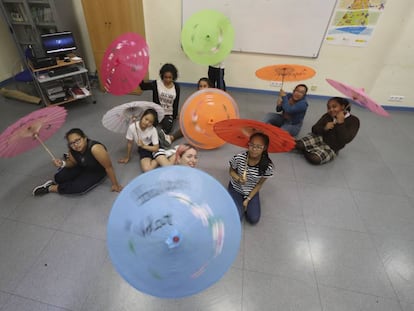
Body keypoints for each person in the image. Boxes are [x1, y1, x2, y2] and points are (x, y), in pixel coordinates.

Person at [32, 128, 122, 196]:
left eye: (78, 140)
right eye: (72, 143)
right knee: (59, 178)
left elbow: (108, 167)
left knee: (79, 188)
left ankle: (50, 188)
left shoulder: (96, 149)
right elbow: (73, 163)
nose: (75, 145)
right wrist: (62, 164)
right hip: (81, 165)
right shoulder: (72, 150)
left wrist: (115, 184)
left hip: (96, 171)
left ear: (85, 138)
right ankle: (57, 182)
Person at [295, 97, 360, 165]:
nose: (331, 110)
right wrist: (325, 128)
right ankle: (311, 149)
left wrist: (341, 123)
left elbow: (346, 139)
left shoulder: (354, 121)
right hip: (319, 138)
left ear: (343, 107)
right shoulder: (327, 116)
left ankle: (306, 150)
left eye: (334, 106)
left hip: (332, 147)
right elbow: (314, 129)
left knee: (315, 159)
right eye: (328, 107)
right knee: (298, 144)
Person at [227, 133, 274, 225]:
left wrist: (248, 199)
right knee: (237, 218)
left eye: (258, 147)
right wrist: (238, 178)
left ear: (264, 148)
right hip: (236, 188)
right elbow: (231, 171)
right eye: (251, 145)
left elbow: (259, 184)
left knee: (253, 219)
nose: (254, 149)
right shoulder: (239, 158)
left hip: (251, 191)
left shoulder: (268, 166)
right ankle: (238, 205)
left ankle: (243, 204)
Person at [139, 63, 182, 144]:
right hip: (156, 111)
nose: (168, 80)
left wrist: (175, 115)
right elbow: (143, 87)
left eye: (170, 77)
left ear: (173, 77)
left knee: (167, 128)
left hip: (168, 113)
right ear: (162, 76)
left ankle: (159, 138)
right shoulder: (156, 84)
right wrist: (140, 76)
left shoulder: (176, 87)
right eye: (165, 77)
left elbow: (176, 102)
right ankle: (148, 136)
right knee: (146, 124)